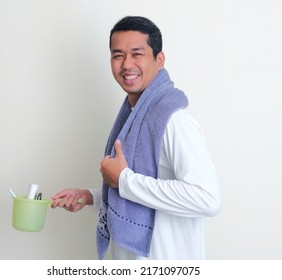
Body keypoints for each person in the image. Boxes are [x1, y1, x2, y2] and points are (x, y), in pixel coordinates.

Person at [51, 16, 222, 260]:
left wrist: (123, 180)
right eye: (118, 55)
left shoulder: (174, 119)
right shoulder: (133, 115)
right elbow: (144, 184)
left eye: (137, 54)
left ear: (159, 60)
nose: (126, 64)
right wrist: (93, 197)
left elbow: (207, 198)